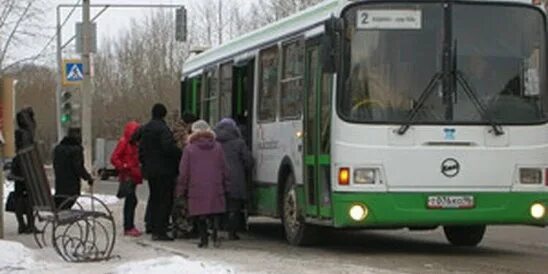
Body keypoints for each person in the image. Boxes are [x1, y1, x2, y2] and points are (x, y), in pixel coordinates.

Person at [176, 120, 229, 248]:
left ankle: (203, 239)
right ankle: (215, 236)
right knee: (215, 212)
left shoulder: (189, 149)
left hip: (196, 187)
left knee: (200, 214)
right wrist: (226, 183)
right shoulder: (218, 147)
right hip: (215, 185)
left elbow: (184, 171)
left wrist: (180, 189)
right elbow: (224, 167)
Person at [139, 103, 181, 241]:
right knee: (165, 201)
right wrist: (180, 154)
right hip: (164, 171)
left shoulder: (146, 129)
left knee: (155, 198)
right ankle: (160, 231)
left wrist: (145, 163)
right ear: (163, 114)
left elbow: (139, 147)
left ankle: (152, 225)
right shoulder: (163, 129)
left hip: (150, 171)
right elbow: (168, 147)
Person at [214, 118, 253, 240]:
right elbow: (248, 161)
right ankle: (232, 232)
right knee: (234, 207)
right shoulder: (239, 143)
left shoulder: (214, 142)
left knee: (219, 205)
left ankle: (217, 230)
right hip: (235, 179)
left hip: (217, 178)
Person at [111, 121, 143, 237]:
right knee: (131, 201)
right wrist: (124, 166)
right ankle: (128, 226)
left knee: (132, 201)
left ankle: (129, 226)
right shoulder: (124, 143)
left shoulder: (134, 144)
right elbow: (114, 158)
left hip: (133, 175)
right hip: (127, 175)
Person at [171, 112, 198, 239]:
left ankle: (182, 226)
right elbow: (185, 148)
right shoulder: (182, 133)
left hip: (178, 169)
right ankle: (183, 227)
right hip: (180, 169)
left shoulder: (177, 129)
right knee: (181, 200)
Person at [53, 128, 93, 209]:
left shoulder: (57, 149)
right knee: (67, 202)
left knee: (62, 205)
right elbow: (79, 168)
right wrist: (88, 178)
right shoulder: (76, 150)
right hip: (71, 190)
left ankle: (61, 210)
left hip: (59, 190)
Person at [11, 108, 36, 234]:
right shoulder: (28, 133)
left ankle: (22, 224)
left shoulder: (18, 132)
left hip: (19, 166)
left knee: (19, 194)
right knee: (28, 195)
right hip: (27, 166)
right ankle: (30, 225)